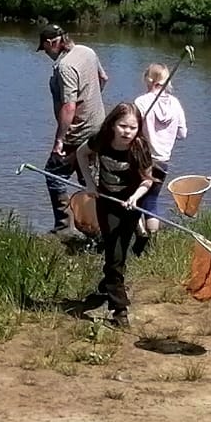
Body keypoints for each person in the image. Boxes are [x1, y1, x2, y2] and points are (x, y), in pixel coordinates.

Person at [72, 102, 156, 329]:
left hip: (129, 206)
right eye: (123, 126)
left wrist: (135, 197)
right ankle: (120, 310)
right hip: (106, 203)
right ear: (112, 124)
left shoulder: (139, 147)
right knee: (113, 252)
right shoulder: (101, 140)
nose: (127, 132)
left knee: (119, 253)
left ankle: (108, 283)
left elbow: (148, 180)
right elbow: (81, 154)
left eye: (133, 127)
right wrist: (89, 183)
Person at [38, 24, 108, 244]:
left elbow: (69, 106)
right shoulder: (87, 51)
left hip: (77, 134)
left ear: (52, 43)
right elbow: (103, 79)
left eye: (45, 49)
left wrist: (59, 139)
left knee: (54, 174)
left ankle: (64, 227)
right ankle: (99, 228)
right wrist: (90, 104)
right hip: (99, 127)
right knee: (91, 180)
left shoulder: (65, 66)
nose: (47, 54)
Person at [130, 63, 186, 239]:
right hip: (163, 160)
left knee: (134, 197)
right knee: (152, 200)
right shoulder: (175, 104)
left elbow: (132, 129)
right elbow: (182, 134)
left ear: (149, 79)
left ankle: (140, 235)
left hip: (142, 158)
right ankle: (152, 239)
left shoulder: (142, 102)